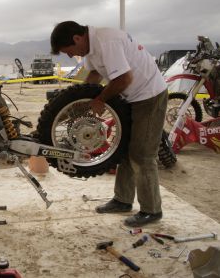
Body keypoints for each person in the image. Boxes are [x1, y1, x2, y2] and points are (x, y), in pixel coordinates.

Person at [50, 21, 168, 227]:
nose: (70, 56)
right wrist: (76, 101)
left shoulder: (107, 41)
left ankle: (152, 210)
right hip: (132, 97)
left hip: (149, 95)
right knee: (124, 149)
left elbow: (124, 78)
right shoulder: (90, 49)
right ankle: (123, 200)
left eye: (68, 51)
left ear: (77, 38)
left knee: (142, 153)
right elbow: (94, 77)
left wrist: (100, 100)